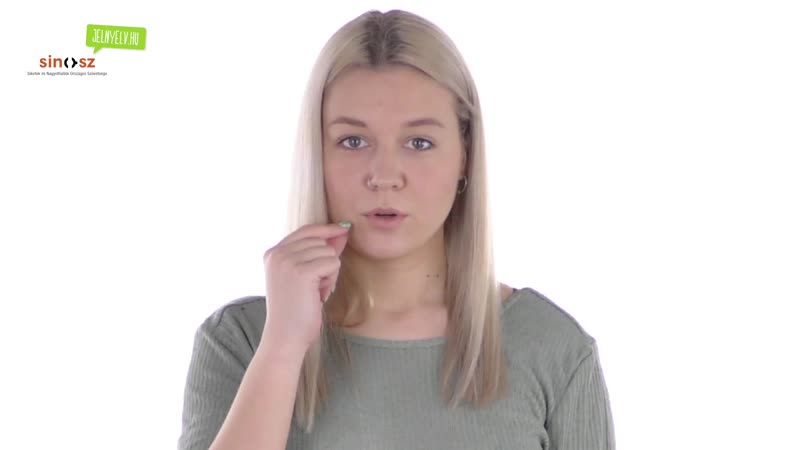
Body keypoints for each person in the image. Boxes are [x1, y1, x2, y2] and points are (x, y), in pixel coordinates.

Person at [178, 9, 615, 450]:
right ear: (318, 154)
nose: (384, 176)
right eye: (353, 141)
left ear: (464, 156)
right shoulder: (242, 341)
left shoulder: (553, 348)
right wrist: (282, 348)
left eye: (419, 142)